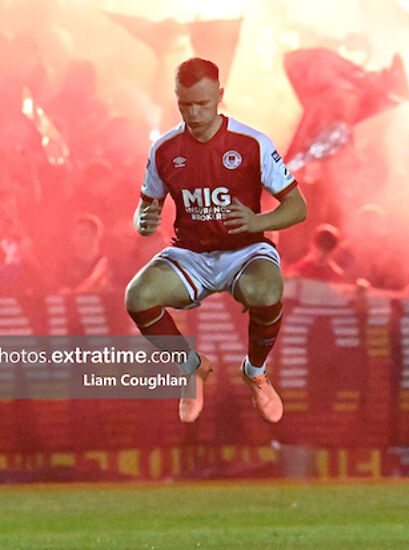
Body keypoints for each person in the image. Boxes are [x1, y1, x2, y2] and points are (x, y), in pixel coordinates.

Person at [126, 57, 307, 423]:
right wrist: (142, 223)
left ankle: (255, 372)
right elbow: (145, 210)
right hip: (191, 253)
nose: (193, 113)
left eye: (202, 104)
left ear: (220, 96)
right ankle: (191, 367)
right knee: (137, 298)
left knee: (268, 291)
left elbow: (298, 208)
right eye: (185, 104)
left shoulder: (252, 143)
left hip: (244, 250)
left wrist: (259, 220)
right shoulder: (164, 150)